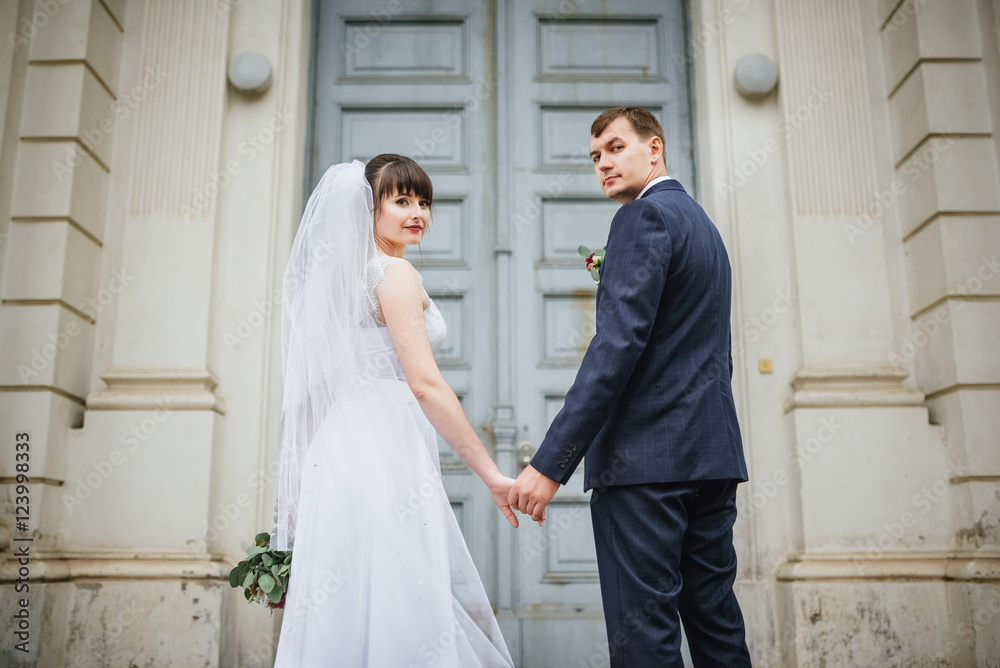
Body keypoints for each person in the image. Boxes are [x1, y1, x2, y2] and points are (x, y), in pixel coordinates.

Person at [508, 107, 752, 667]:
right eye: (595, 157)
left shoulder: (642, 220)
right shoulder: (703, 226)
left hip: (646, 468)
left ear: (655, 148)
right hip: (711, 459)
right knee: (716, 625)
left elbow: (616, 349)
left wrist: (549, 465)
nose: (604, 164)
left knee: (645, 637)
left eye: (616, 148)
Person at [270, 155, 516, 667]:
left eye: (423, 201)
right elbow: (425, 385)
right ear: (369, 207)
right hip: (385, 449)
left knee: (350, 595)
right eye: (401, 200)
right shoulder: (393, 272)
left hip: (337, 451)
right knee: (400, 591)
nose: (417, 212)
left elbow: (312, 394)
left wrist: (291, 503)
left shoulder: (341, 278)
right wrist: (491, 473)